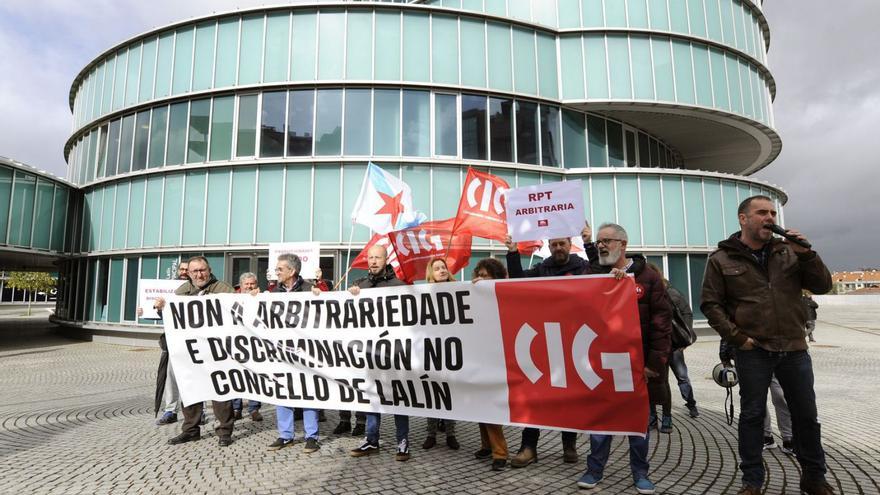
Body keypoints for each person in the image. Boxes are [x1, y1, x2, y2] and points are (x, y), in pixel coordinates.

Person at [701, 195, 834, 495]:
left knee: (806, 416)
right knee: (752, 416)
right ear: (743, 218)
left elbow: (824, 285)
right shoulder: (722, 258)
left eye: (773, 212)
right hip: (754, 351)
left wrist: (807, 254)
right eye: (762, 212)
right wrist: (738, 338)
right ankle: (752, 482)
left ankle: (814, 477)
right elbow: (711, 305)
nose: (770, 217)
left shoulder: (789, 251)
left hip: (794, 348)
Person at [577, 223, 671, 495]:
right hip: (600, 361)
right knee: (600, 420)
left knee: (637, 423)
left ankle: (640, 473)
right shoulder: (590, 273)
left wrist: (654, 364)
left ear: (623, 244)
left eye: (607, 240)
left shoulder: (647, 277)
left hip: (636, 364)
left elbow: (661, 322)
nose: (602, 245)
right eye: (599, 241)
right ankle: (594, 470)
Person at [503, 232, 596, 467]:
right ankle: (528, 447)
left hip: (573, 341)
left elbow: (600, 275)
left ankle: (569, 445)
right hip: (544, 342)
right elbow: (516, 279)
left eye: (561, 244)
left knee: (569, 397)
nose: (558, 248)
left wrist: (589, 242)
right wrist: (513, 252)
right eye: (553, 245)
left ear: (569, 245)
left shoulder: (584, 267)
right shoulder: (541, 269)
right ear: (549, 247)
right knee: (536, 396)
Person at [156, 256, 237, 447]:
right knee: (190, 389)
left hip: (217, 351)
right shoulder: (181, 292)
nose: (199, 274)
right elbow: (172, 320)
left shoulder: (224, 290)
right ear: (188, 273)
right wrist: (161, 310)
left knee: (220, 392)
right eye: (195, 271)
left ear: (209, 270)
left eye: (202, 270)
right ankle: (191, 430)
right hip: (191, 352)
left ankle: (225, 431)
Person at [349, 245, 412, 461]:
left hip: (394, 355)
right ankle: (371, 439)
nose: (373, 261)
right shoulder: (361, 285)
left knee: (398, 399)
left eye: (378, 257)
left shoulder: (399, 286)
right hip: (370, 355)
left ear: (386, 259)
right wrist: (351, 295)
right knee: (372, 398)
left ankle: (402, 442)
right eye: (371, 257)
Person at [266, 254, 322, 454]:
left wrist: (321, 295)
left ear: (292, 271)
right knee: (283, 391)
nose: (277, 272)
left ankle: (311, 436)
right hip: (282, 352)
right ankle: (286, 435)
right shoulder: (274, 292)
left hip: (306, 352)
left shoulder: (309, 290)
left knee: (308, 392)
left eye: (280, 269)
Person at [645, 263, 699, 428]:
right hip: (654, 345)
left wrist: (685, 338)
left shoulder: (670, 293)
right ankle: (653, 416)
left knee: (679, 377)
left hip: (673, 345)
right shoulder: (647, 294)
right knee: (653, 381)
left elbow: (687, 313)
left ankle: (690, 404)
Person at [471, 258, 511, 471]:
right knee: (480, 406)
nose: (481, 279)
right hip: (478, 357)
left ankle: (500, 452)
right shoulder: (474, 295)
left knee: (491, 407)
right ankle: (486, 445)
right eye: (480, 275)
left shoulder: (502, 295)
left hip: (495, 358)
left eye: (486, 276)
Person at [420, 257, 460, 451]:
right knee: (433, 393)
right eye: (437, 268)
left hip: (452, 349)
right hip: (432, 349)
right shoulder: (424, 293)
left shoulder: (460, 289)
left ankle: (451, 434)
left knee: (450, 393)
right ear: (431, 273)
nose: (442, 270)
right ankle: (431, 434)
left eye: (443, 267)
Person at [142, 260, 188, 426]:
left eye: (186, 269)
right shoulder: (170, 289)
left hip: (193, 341)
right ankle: (171, 411)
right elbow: (164, 317)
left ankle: (200, 411)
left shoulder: (198, 291)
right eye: (181, 269)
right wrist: (148, 310)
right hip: (173, 341)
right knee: (171, 378)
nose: (183, 271)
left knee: (196, 376)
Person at [231, 272, 263, 422]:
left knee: (255, 376)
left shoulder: (262, 297)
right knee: (236, 375)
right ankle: (236, 408)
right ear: (241, 285)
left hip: (255, 343)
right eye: (247, 284)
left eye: (252, 284)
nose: (250, 287)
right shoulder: (231, 297)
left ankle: (254, 408)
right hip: (236, 343)